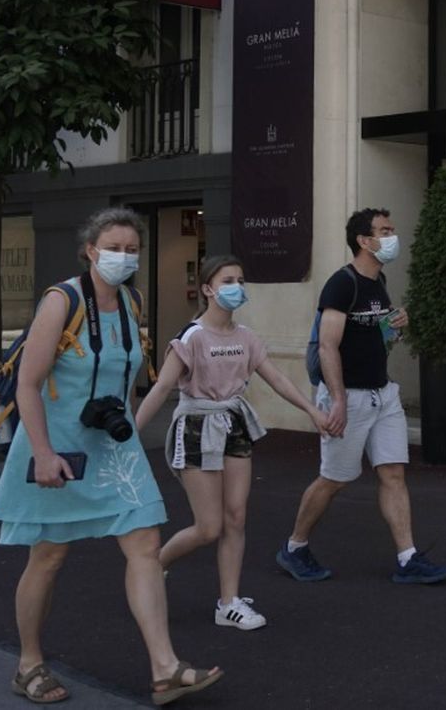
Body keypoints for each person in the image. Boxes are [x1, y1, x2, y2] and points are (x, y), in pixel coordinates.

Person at [0, 208, 222, 706]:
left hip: (113, 447)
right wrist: (45, 453)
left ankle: (164, 668)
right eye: (113, 247)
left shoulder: (132, 301)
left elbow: (125, 373)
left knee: (143, 544)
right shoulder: (62, 300)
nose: (124, 256)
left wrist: (129, 428)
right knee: (48, 556)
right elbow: (28, 385)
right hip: (57, 445)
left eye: (132, 248)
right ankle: (29, 664)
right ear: (90, 250)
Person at [134, 256, 330, 632]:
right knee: (209, 527)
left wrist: (312, 411)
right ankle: (152, 565)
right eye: (228, 280)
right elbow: (161, 388)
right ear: (208, 289)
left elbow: (276, 379)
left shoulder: (245, 337)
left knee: (236, 517)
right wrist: (131, 434)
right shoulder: (190, 338)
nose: (237, 287)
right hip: (195, 427)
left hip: (234, 424)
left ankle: (229, 603)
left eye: (240, 279)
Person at [274, 208, 446, 585]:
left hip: (382, 394)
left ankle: (408, 558)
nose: (392, 236)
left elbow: (377, 338)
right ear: (363, 240)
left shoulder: (379, 281)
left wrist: (396, 327)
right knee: (334, 479)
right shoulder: (342, 284)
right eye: (384, 230)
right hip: (350, 397)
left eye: (392, 228)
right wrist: (337, 400)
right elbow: (327, 346)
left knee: (392, 473)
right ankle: (294, 547)